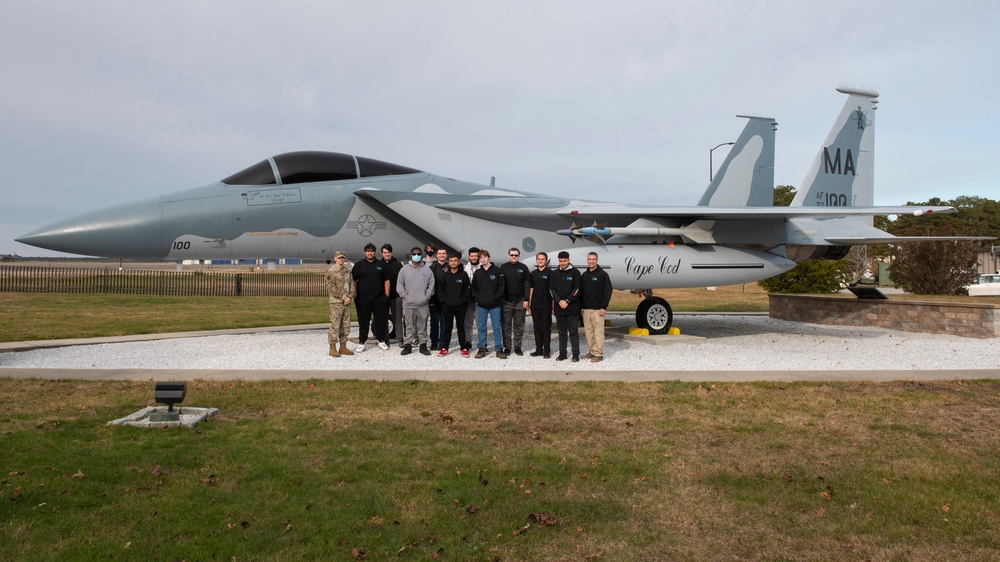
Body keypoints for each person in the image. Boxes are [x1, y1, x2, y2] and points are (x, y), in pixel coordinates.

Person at [351, 243, 390, 352]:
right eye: (368, 251)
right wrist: (355, 294)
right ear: (365, 252)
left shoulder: (381, 265)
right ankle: (362, 341)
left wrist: (386, 295)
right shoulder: (359, 265)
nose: (370, 253)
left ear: (375, 252)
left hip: (379, 298)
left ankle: (381, 340)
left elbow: (387, 280)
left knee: (380, 320)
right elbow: (353, 280)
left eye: (372, 251)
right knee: (363, 321)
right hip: (363, 299)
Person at [396, 247, 436, 355]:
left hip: (422, 303)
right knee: (409, 325)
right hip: (408, 304)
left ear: (421, 255)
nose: (416, 255)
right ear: (411, 255)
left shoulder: (427, 270)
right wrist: (405, 297)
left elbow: (431, 285)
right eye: (414, 254)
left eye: (418, 254)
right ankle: (408, 345)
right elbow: (399, 285)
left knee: (422, 325)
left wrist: (426, 297)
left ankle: (423, 345)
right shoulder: (404, 269)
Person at [471, 249, 506, 358]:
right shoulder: (477, 272)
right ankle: (482, 348)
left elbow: (501, 287)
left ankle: (499, 349)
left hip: (495, 305)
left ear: (489, 258)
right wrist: (478, 299)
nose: (483, 259)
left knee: (496, 327)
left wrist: (496, 298)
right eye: (481, 257)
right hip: (482, 305)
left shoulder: (497, 271)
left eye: (485, 257)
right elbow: (474, 288)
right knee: (481, 327)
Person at [580, 251, 613, 362]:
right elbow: (582, 292)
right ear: (587, 260)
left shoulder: (602, 275)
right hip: (587, 309)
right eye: (589, 259)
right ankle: (591, 351)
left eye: (593, 259)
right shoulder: (584, 275)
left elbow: (608, 291)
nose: (591, 261)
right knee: (588, 332)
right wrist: (582, 306)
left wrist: (604, 306)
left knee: (598, 332)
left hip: (598, 309)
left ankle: (598, 353)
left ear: (597, 260)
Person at [550, 250, 581, 361]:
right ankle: (562, 353)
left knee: (573, 331)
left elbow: (577, 289)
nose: (563, 263)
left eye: (565, 261)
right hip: (560, 308)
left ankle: (575, 354)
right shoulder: (554, 273)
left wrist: (567, 301)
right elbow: (552, 289)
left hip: (572, 308)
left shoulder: (575, 272)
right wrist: (559, 301)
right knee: (561, 332)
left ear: (569, 260)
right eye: (561, 261)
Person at [437, 252, 471, 356]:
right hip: (447, 307)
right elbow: (440, 290)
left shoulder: (463, 275)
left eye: (455, 261)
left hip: (460, 307)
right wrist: (444, 301)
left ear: (458, 262)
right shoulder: (444, 275)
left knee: (461, 328)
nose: (453, 262)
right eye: (451, 261)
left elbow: (467, 290)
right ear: (449, 262)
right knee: (448, 328)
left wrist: (462, 301)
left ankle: (463, 348)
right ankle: (445, 348)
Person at [324, 251, 355, 358]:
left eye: (343, 258)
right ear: (335, 258)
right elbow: (331, 288)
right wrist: (343, 297)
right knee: (335, 325)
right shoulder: (331, 272)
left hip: (347, 303)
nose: (341, 259)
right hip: (336, 303)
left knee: (346, 325)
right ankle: (332, 348)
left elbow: (352, 285)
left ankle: (343, 346)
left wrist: (350, 297)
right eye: (339, 258)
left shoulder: (347, 271)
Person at [500, 247, 530, 356]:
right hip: (506, 301)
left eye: (516, 255)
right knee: (506, 326)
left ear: (519, 256)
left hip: (520, 301)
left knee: (519, 325)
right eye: (512, 255)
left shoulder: (523, 268)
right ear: (508, 255)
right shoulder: (503, 267)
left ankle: (518, 347)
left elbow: (527, 284)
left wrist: (526, 299)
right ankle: (507, 347)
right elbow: (500, 284)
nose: (514, 257)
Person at [528, 251, 554, 358]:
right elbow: (531, 289)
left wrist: (553, 306)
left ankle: (547, 350)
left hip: (546, 305)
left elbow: (553, 291)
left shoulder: (551, 273)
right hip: (535, 305)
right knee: (537, 328)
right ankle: (539, 348)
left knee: (546, 328)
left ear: (546, 261)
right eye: (539, 259)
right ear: (536, 260)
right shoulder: (533, 274)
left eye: (542, 259)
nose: (540, 261)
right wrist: (530, 304)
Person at [381, 244, 404, 346]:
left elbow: (402, 279)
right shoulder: (379, 264)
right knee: (383, 318)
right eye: (385, 252)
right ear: (382, 253)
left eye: (389, 252)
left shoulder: (398, 264)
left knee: (397, 317)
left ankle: (400, 339)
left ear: (391, 253)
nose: (387, 254)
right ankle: (385, 338)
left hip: (396, 296)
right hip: (382, 296)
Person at [428, 246, 448, 350]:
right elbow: (428, 284)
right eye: (439, 253)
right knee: (434, 322)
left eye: (443, 253)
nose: (441, 255)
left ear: (446, 255)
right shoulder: (432, 267)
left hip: (445, 301)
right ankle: (434, 342)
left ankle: (442, 342)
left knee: (444, 323)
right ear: (436, 255)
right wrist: (430, 299)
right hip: (434, 300)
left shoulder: (449, 266)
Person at [462, 247, 481, 345]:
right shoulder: (465, 268)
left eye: (476, 256)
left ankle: (482, 343)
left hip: (479, 300)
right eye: (472, 256)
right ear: (469, 256)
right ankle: (468, 341)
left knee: (480, 323)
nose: (474, 258)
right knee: (468, 322)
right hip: (469, 300)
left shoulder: (483, 267)